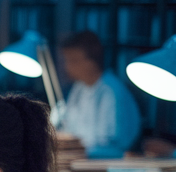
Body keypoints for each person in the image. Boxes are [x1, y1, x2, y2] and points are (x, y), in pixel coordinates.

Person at [56, 30, 141, 159]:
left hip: (106, 167)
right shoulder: (79, 87)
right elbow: (69, 128)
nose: (68, 66)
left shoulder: (110, 91)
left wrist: (77, 151)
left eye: (73, 61)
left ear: (92, 62)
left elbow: (113, 146)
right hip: (82, 162)